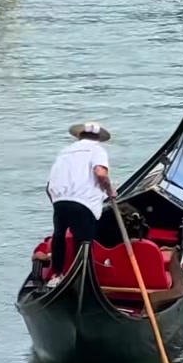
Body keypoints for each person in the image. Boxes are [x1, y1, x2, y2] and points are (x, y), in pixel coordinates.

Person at [45, 122, 113, 287]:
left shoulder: (65, 152)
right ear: (98, 138)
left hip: (59, 201)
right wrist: (110, 191)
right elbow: (101, 174)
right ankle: (82, 278)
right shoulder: (97, 150)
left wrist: (56, 201)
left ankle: (57, 274)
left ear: (79, 136)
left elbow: (49, 185)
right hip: (84, 203)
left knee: (59, 236)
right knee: (84, 241)